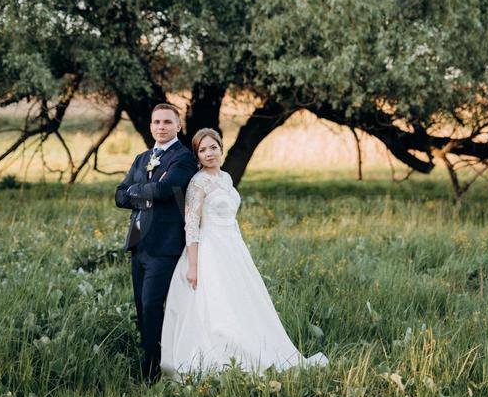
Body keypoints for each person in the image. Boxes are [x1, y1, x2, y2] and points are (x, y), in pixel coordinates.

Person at [161, 127, 328, 378]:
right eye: (202, 150)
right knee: (216, 305)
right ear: (197, 155)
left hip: (232, 248)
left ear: (221, 148)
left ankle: (257, 348)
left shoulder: (226, 178)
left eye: (213, 147)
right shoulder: (198, 183)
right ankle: (222, 356)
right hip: (208, 252)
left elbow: (232, 219)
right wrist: (193, 266)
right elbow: (192, 226)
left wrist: (239, 247)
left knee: (243, 300)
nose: (209, 153)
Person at [115, 103, 197, 381]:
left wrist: (137, 192)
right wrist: (144, 192)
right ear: (150, 125)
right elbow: (119, 195)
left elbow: (164, 189)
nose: (160, 127)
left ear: (178, 126)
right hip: (138, 243)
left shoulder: (183, 157)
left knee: (152, 304)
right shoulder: (141, 158)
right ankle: (150, 360)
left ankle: (155, 367)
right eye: (156, 122)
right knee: (141, 306)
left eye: (166, 122)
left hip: (165, 244)